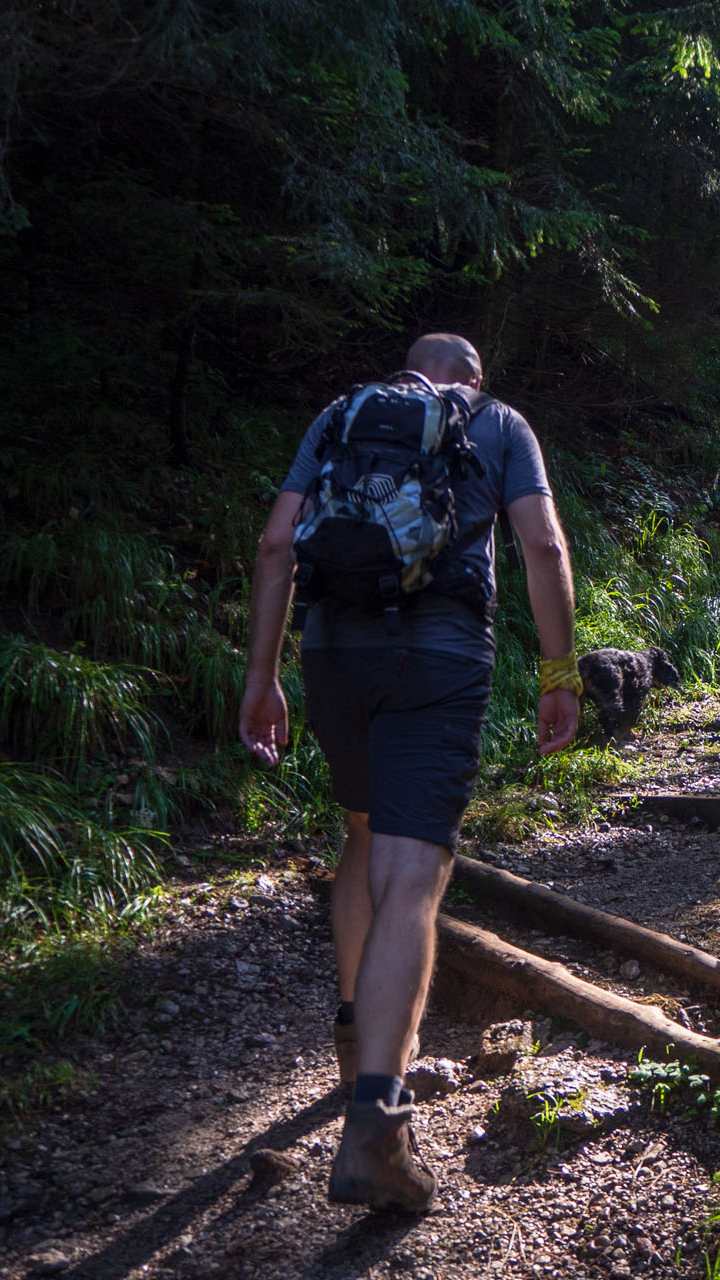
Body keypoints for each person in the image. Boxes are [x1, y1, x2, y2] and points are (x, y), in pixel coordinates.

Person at [238, 333, 581, 1213]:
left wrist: (263, 676)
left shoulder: (341, 416)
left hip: (331, 651)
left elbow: (278, 544)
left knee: (360, 829)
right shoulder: (498, 423)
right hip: (436, 657)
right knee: (413, 871)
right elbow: (541, 546)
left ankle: (357, 1036)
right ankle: (378, 1127)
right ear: (473, 379)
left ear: (406, 369)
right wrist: (558, 671)